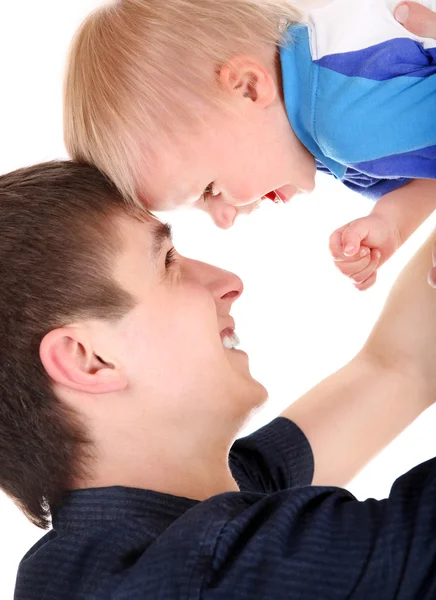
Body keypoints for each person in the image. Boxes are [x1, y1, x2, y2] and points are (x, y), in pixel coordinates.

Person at [2, 160, 436, 600]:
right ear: (88, 360)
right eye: (168, 263)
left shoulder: (142, 533)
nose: (230, 283)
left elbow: (400, 368)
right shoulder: (208, 575)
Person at [63, 0, 436, 291]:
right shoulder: (318, 125)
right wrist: (391, 223)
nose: (224, 220)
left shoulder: (343, 123)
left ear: (247, 87)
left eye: (210, 190)